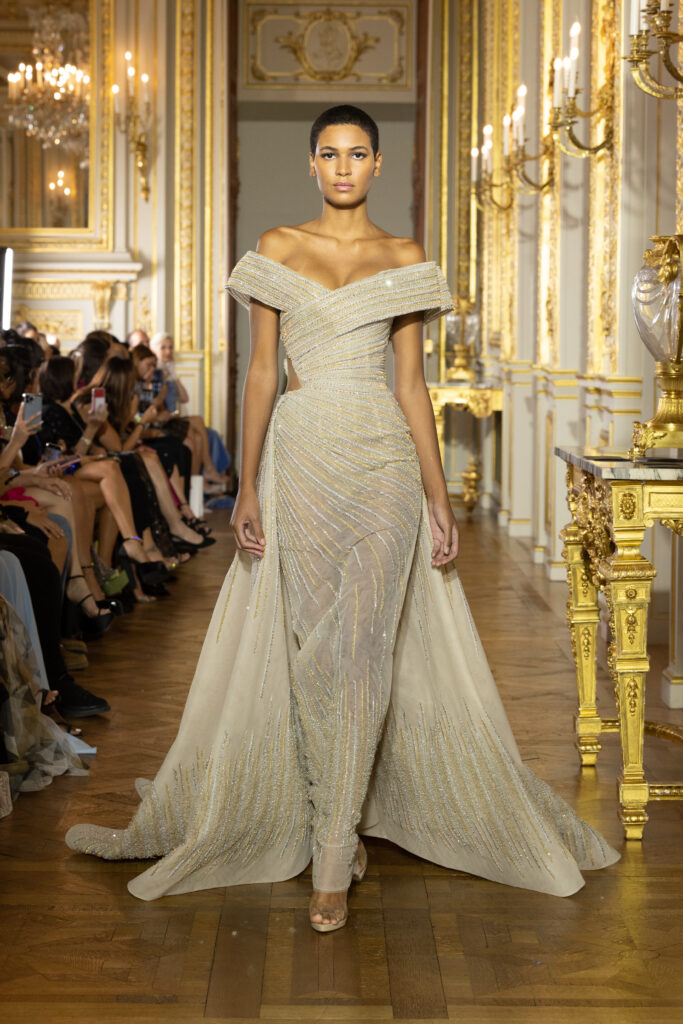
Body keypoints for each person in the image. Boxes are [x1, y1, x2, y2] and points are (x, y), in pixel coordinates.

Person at [66, 105, 618, 929]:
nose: (344, 167)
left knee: (361, 647)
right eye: (330, 154)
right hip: (300, 464)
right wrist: (245, 485)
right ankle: (332, 808)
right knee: (313, 648)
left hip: (383, 465)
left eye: (358, 154)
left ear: (377, 163)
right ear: (313, 163)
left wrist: (436, 496)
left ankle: (332, 848)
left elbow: (410, 386)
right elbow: (261, 374)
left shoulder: (404, 258)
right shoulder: (278, 248)